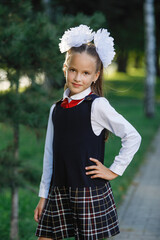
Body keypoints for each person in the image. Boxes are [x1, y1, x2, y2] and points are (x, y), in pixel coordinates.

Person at [34, 25, 141, 240]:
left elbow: (133, 136)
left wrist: (114, 170)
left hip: (87, 192)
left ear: (96, 76)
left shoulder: (97, 105)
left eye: (85, 73)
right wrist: (43, 195)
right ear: (65, 68)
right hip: (58, 190)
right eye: (73, 70)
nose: (77, 78)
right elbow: (49, 156)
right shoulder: (56, 109)